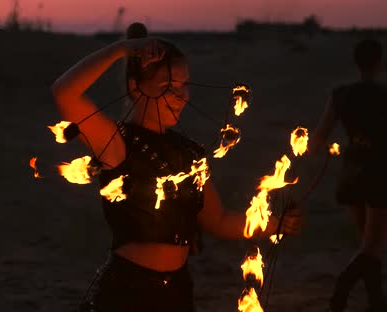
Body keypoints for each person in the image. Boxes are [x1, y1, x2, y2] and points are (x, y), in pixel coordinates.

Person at [51, 23, 302, 312]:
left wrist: (275, 225)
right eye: (169, 87)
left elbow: (217, 219)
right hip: (128, 292)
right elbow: (64, 93)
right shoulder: (117, 142)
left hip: (178, 292)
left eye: (184, 86)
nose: (182, 97)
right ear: (135, 87)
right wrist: (120, 50)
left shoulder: (190, 153)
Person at [309, 39, 387, 312]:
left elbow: (318, 138)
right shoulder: (383, 96)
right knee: (371, 247)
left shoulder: (340, 94)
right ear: (379, 62)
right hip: (378, 175)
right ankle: (341, 292)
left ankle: (376, 302)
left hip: (351, 173)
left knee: (368, 245)